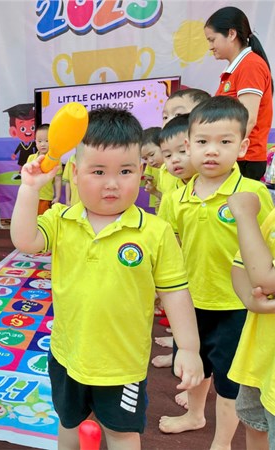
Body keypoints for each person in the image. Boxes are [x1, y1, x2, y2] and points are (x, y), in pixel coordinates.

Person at [11, 107, 203, 450]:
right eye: (98, 171)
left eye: (125, 171)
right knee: (70, 423)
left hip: (122, 365)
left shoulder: (155, 231)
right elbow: (25, 240)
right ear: (74, 172)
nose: (112, 183)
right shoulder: (61, 219)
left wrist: (188, 348)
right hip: (67, 355)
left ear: (141, 171)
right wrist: (29, 189)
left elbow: (175, 293)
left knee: (121, 433)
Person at [157, 96, 274, 449]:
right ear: (189, 145)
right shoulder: (176, 198)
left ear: (242, 147)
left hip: (237, 307)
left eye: (224, 142)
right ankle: (195, 415)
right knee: (195, 367)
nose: (212, 150)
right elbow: (167, 248)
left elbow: (266, 248)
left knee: (230, 382)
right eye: (202, 142)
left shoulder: (253, 193)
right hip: (190, 303)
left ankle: (221, 442)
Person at [227, 191, 275, 450]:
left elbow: (265, 279)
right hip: (261, 356)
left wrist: (245, 215)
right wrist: (250, 298)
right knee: (254, 424)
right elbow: (239, 265)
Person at [205, 6, 273, 180]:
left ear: (231, 34)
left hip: (244, 158)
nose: (210, 47)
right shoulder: (238, 67)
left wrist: (227, 151)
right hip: (235, 155)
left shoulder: (250, 65)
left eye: (212, 40)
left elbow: (248, 118)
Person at [152, 114, 198, 369]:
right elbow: (170, 237)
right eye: (168, 155)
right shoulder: (173, 195)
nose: (175, 160)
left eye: (182, 151)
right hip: (184, 271)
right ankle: (179, 355)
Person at [26, 124, 62, 215]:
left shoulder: (56, 160)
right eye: (39, 141)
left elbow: (58, 179)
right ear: (35, 142)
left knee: (42, 220)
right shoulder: (31, 158)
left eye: (47, 141)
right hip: (31, 196)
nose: (43, 144)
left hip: (46, 197)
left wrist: (57, 196)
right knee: (30, 218)